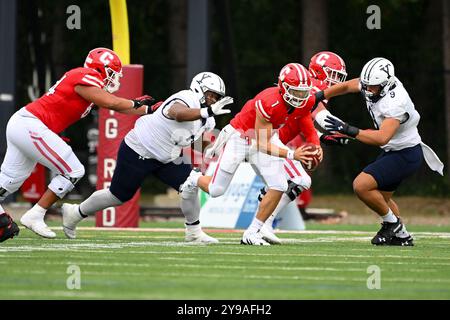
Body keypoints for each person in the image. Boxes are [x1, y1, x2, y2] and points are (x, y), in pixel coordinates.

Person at [0, 47, 155, 242]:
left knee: (8, 182)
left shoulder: (89, 84)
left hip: (25, 124)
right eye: (112, 74)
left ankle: (25, 216)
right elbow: (112, 103)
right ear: (101, 69)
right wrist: (134, 103)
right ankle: (36, 214)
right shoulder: (85, 75)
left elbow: (118, 105)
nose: (116, 79)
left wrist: (149, 109)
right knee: (72, 170)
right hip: (31, 125)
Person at [61, 72, 233, 243]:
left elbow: (199, 140)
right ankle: (75, 213)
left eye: (216, 97)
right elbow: (178, 113)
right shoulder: (186, 97)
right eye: (210, 94)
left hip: (167, 157)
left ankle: (194, 232)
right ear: (198, 89)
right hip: (139, 150)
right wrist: (206, 111)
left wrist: (216, 148)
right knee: (117, 196)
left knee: (189, 187)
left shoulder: (207, 119)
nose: (213, 100)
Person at [180, 63, 319, 245]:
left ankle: (252, 233)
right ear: (282, 86)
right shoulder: (268, 101)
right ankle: (194, 179)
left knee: (279, 184)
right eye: (296, 91)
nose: (301, 96)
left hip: (267, 136)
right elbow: (261, 144)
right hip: (242, 137)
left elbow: (304, 118)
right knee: (216, 190)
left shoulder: (306, 100)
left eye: (303, 92)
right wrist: (292, 154)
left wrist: (315, 143)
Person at [315, 57, 444, 246]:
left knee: (361, 185)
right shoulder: (374, 83)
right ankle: (402, 237)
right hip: (396, 150)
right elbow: (348, 86)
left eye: (372, 86)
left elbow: (381, 137)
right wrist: (320, 95)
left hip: (405, 153)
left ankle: (393, 225)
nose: (367, 90)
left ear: (386, 84)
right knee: (382, 200)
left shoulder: (396, 101)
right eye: (366, 85)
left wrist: (348, 129)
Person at [258, 51, 350, 244]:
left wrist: (322, 137)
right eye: (333, 74)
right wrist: (350, 130)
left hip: (274, 140)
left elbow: (301, 122)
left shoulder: (308, 86)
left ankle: (262, 222)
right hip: (269, 140)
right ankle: (262, 225)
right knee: (300, 179)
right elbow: (320, 116)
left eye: (340, 77)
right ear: (319, 70)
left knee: (294, 181)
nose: (336, 80)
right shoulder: (312, 86)